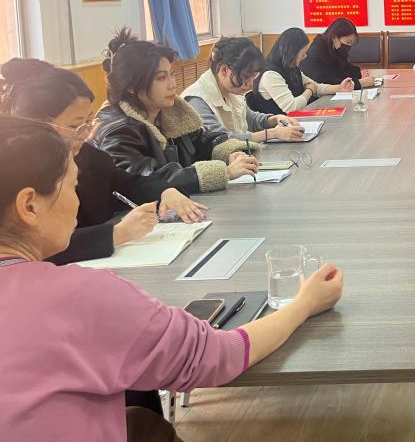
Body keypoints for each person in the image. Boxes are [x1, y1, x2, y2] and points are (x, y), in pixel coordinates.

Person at [0, 117, 344, 441]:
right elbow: (215, 357)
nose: (77, 200)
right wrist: (304, 304)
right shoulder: (78, 297)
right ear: (29, 205)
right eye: (73, 186)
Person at [0, 58, 209, 265]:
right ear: (38, 124)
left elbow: (128, 182)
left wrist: (165, 191)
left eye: (89, 122)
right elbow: (35, 246)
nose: (86, 134)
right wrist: (116, 233)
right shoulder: (15, 174)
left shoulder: (89, 156)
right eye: (75, 126)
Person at [92, 28, 259, 194]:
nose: (172, 84)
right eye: (161, 78)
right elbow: (145, 183)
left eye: (172, 74)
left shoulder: (168, 113)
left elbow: (202, 141)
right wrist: (225, 172)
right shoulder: (118, 131)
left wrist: (229, 154)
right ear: (131, 86)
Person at [183, 37, 304, 144]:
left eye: (254, 76)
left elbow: (250, 119)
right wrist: (272, 134)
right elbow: (220, 140)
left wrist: (276, 119)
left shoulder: (231, 90)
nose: (250, 84)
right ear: (224, 70)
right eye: (246, 76)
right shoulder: (197, 100)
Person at [247, 27, 354, 116]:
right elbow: (292, 108)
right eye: (303, 52)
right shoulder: (270, 74)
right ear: (292, 52)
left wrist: (340, 88)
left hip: (294, 123)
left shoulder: (291, 68)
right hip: (279, 128)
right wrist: (309, 91)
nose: (305, 56)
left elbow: (315, 86)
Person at [300, 17, 363, 89]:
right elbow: (327, 82)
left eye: (351, 43)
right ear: (334, 37)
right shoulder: (317, 53)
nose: (349, 46)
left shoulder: (335, 50)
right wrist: (358, 83)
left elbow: (345, 70)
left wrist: (358, 75)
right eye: (348, 42)